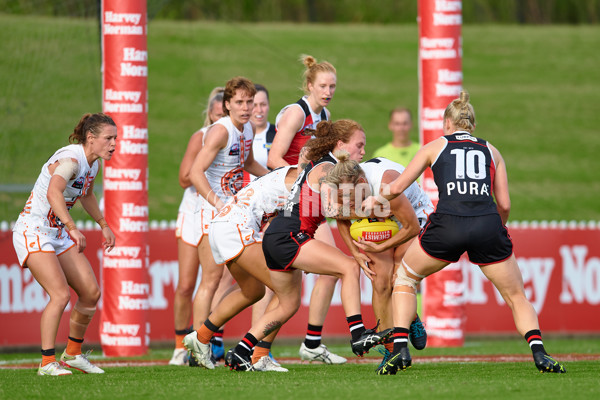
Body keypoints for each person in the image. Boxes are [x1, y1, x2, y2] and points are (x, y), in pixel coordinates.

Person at [363, 91, 566, 375]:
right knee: (516, 295)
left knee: (406, 278)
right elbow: (504, 204)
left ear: (447, 123)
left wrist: (376, 199)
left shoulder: (435, 146)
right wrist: (497, 228)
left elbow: (397, 188)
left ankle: (400, 350)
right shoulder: (492, 151)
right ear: (473, 123)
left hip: (448, 224)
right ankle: (541, 354)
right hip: (486, 224)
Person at [226, 120, 390, 371]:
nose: (363, 152)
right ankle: (358, 334)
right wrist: (369, 210)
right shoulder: (326, 168)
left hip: (278, 237)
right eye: (359, 145)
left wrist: (356, 243)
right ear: (341, 144)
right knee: (348, 268)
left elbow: (332, 211)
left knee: (288, 305)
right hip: (290, 235)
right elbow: (331, 209)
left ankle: (241, 351)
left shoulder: (324, 164)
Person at [12, 113, 117, 376]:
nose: (114, 144)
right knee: (60, 295)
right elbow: (53, 192)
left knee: (91, 293)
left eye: (115, 138)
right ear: (91, 138)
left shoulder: (93, 165)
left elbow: (87, 194)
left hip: (56, 233)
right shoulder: (70, 160)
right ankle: (47, 363)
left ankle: (72, 354)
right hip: (34, 230)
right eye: (109, 138)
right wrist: (73, 228)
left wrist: (103, 224)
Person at [268, 55, 346, 364]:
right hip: (284, 200)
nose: (328, 91)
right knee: (271, 285)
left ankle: (312, 344)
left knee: (333, 268)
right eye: (323, 86)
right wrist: (301, 180)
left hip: (307, 199)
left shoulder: (324, 114)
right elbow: (273, 158)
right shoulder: (295, 114)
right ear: (309, 85)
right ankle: (248, 346)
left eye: (333, 86)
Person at [183, 164, 299, 372]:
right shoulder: (301, 180)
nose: (362, 153)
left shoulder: (289, 175)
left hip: (222, 225)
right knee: (286, 292)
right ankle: (258, 354)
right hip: (236, 227)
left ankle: (201, 336)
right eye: (358, 146)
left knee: (252, 291)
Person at [188, 76, 269, 365]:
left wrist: (276, 176)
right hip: (212, 212)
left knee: (249, 286)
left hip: (234, 213)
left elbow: (246, 163)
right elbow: (195, 173)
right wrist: (218, 203)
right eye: (240, 102)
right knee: (210, 280)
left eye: (250, 101)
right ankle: (198, 350)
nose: (246, 107)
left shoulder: (247, 127)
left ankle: (205, 339)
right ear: (227, 105)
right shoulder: (219, 132)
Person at [336, 156, 433, 368]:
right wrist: (355, 252)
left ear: (362, 184)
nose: (350, 204)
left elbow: (411, 227)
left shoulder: (387, 183)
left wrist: (379, 247)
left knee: (399, 279)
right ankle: (391, 351)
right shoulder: (343, 183)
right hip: (383, 222)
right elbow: (338, 214)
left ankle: (407, 328)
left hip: (416, 219)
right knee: (380, 282)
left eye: (352, 199)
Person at [169, 87, 230, 366]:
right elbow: (184, 178)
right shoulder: (202, 137)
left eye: (224, 116)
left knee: (214, 281)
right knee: (185, 285)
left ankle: (204, 342)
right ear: (210, 113)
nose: (221, 121)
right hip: (195, 211)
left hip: (218, 212)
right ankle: (180, 345)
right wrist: (209, 168)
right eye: (217, 115)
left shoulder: (237, 136)